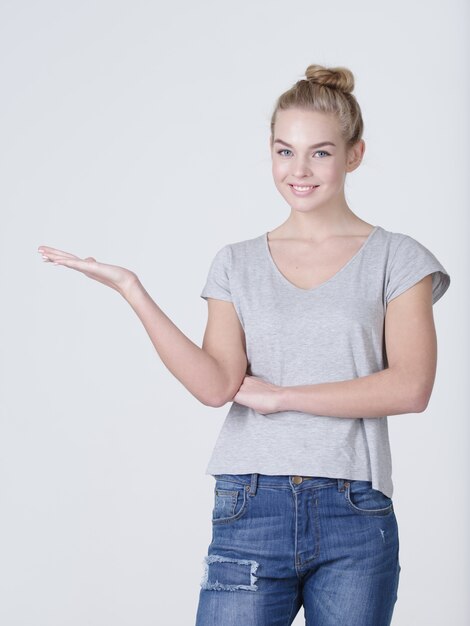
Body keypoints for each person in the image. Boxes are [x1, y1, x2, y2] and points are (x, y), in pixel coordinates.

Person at [38, 63, 451, 626]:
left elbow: (410, 387)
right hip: (250, 504)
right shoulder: (236, 262)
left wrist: (283, 397)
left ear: (354, 154)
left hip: (356, 509)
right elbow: (216, 386)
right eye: (285, 151)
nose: (299, 170)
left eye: (320, 153)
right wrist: (132, 290)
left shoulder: (398, 259)